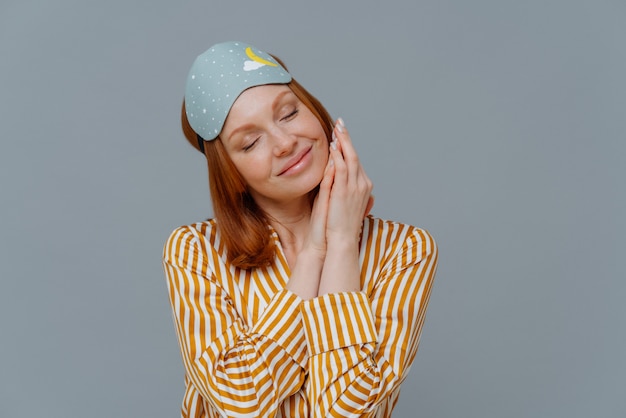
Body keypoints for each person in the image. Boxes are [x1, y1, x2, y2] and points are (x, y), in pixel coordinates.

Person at [163, 41, 438, 418]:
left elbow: (345, 411)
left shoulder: (403, 250)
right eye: (251, 142)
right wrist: (314, 253)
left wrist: (341, 243)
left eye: (289, 113)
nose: (285, 143)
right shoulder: (196, 252)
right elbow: (240, 402)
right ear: (231, 173)